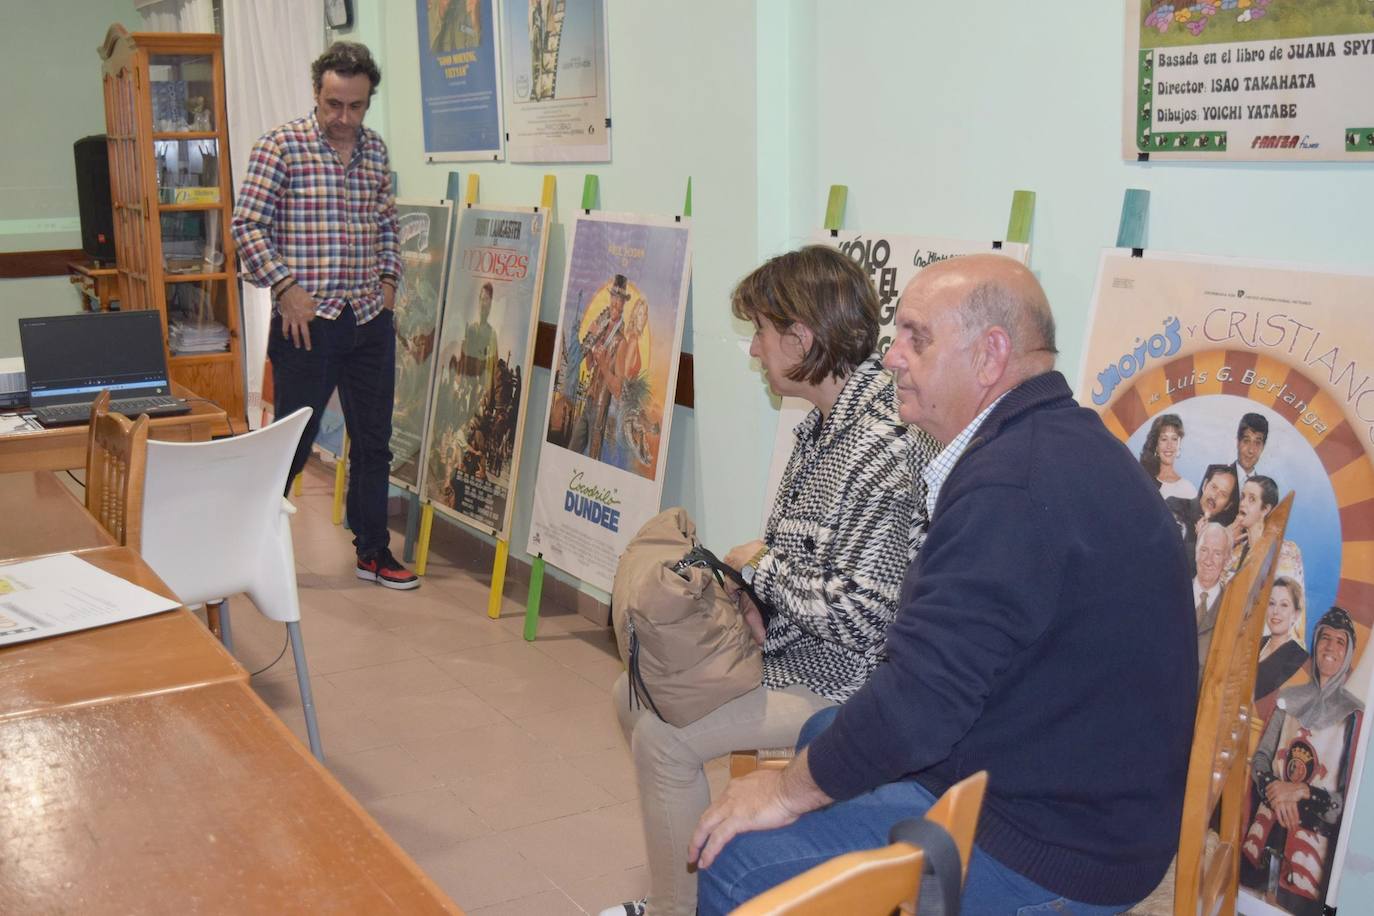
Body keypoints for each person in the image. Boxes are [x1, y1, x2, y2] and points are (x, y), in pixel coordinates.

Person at [691, 254, 1197, 914]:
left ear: (990, 356)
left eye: (916, 338)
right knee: (825, 734)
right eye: (896, 334)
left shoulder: (1011, 488)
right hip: (1076, 782)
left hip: (1055, 848)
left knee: (734, 863)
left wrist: (782, 793)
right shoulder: (1059, 440)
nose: (892, 357)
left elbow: (917, 706)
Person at [601, 246, 938, 916]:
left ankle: (678, 910)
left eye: (760, 332)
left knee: (665, 739)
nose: (755, 351)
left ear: (801, 337)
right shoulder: (823, 424)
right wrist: (754, 595)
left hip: (851, 683)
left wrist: (760, 570)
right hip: (799, 652)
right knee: (632, 692)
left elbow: (866, 621)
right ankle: (689, 890)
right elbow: (797, 557)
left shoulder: (881, 442)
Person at [231, 42, 417, 590]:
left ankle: (373, 551)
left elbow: (387, 224)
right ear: (317, 93)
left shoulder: (375, 152)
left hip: (367, 320)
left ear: (367, 102)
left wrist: (387, 284)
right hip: (305, 322)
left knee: (374, 440)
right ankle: (244, 545)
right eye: (334, 104)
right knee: (291, 439)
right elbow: (247, 227)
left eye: (356, 107)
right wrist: (285, 287)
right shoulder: (280, 147)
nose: (344, 118)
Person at [1242, 607, 1364, 914]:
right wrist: (1275, 788)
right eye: (1325, 638)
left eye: (1340, 641)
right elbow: (1261, 759)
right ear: (1314, 642)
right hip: (1262, 838)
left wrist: (1301, 792)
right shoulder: (1288, 699)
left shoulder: (1354, 717)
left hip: (1310, 861)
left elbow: (1346, 806)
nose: (1330, 647)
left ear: (1348, 651)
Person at [569, 275, 630, 459]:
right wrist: (591, 337)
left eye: (619, 299)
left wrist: (603, 364)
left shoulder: (621, 341)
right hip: (588, 401)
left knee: (593, 457)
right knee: (572, 450)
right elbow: (588, 366)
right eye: (613, 297)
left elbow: (618, 390)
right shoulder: (602, 329)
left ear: (623, 304)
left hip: (602, 407)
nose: (615, 303)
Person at [1167, 462, 1240, 576]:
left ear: (1228, 505)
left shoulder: (1222, 533)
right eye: (1214, 487)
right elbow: (1168, 554)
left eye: (1223, 494)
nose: (1214, 496)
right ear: (1205, 485)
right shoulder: (1175, 505)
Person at [1254, 576, 1308, 721]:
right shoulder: (1254, 644)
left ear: (1296, 614)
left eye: (1284, 605)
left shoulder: (1299, 659)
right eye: (1271, 603)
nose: (1275, 611)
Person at [1193, 521, 1232, 677]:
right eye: (1203, 550)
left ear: (1227, 559)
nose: (1208, 560)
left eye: (1217, 553)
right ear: (1195, 552)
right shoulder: (1173, 595)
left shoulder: (1231, 609)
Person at [458, 282, 500, 422]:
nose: (483, 304)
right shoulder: (471, 329)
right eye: (481, 299)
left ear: (491, 304)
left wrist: (485, 392)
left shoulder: (491, 334)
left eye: (486, 299)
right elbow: (463, 360)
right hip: (466, 386)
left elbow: (491, 369)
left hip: (480, 391)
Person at [1139, 413, 1196, 500]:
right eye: (1164, 439)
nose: (1169, 445)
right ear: (1156, 446)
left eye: (1174, 439)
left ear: (1179, 444)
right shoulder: (1145, 481)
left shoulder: (1188, 489)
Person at [1234, 412, 1269, 488]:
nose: (1251, 450)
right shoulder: (1217, 477)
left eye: (1257, 443)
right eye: (1246, 441)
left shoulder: (1264, 489)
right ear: (1238, 442)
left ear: (1263, 447)